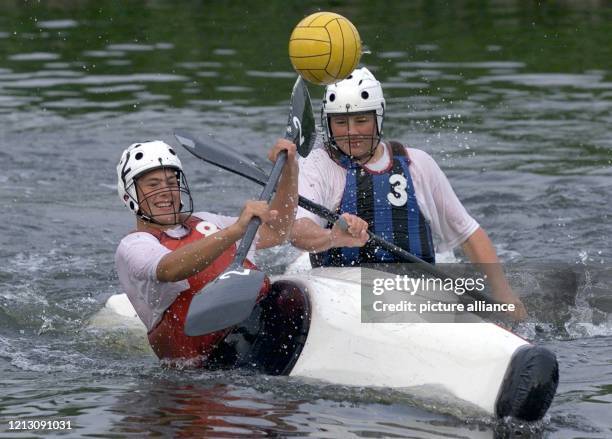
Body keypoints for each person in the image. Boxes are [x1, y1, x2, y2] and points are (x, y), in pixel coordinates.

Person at [290, 67, 527, 320]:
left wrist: (504, 294)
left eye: (361, 121)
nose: (351, 132)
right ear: (328, 123)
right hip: (339, 296)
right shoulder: (318, 165)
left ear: (377, 118)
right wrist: (333, 237)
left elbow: (468, 234)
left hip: (413, 297)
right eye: (340, 122)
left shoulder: (418, 164)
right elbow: (298, 232)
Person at [115, 138, 298, 367]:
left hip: (258, 332)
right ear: (129, 196)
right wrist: (235, 230)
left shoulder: (207, 221)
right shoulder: (133, 245)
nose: (165, 192)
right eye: (153, 185)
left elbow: (277, 230)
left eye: (171, 182)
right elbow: (170, 269)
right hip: (198, 369)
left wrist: (290, 170)